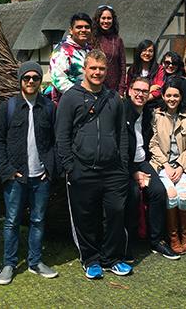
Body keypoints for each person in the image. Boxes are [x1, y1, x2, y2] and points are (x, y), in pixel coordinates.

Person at [56, 49, 132, 279]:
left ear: (107, 71)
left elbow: (122, 133)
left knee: (116, 213)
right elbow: (62, 134)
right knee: (85, 216)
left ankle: (112, 258)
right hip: (83, 168)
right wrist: (70, 165)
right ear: (85, 69)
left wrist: (123, 164)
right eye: (93, 68)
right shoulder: (71, 97)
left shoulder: (114, 99)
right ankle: (90, 259)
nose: (97, 72)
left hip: (112, 169)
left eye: (101, 69)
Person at [0, 61, 58, 284]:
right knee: (11, 221)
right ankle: (9, 264)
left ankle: (35, 262)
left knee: (38, 220)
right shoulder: (8, 107)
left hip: (41, 176)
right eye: (27, 77)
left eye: (35, 78)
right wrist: (7, 171)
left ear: (40, 81)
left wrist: (50, 169)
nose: (31, 81)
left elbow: (56, 141)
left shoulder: (48, 107)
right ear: (20, 80)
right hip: (16, 177)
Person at [124, 77, 180, 261]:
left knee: (158, 192)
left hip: (142, 161)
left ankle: (156, 240)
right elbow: (119, 147)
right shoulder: (122, 112)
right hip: (124, 164)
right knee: (132, 195)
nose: (140, 94)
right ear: (130, 90)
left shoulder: (148, 113)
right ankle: (127, 243)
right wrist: (133, 173)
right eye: (137, 90)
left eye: (145, 91)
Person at [149, 78, 186, 255]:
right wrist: (166, 165)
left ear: (181, 96)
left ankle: (185, 235)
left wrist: (179, 166)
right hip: (162, 166)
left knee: (184, 197)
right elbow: (153, 144)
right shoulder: (156, 115)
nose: (172, 99)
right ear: (163, 96)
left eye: (175, 95)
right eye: (168, 95)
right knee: (171, 195)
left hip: (183, 166)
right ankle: (173, 237)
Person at [49, 12, 92, 104]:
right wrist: (81, 96)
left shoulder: (89, 50)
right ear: (71, 30)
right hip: (69, 101)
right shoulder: (62, 50)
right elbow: (59, 80)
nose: (83, 30)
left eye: (87, 27)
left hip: (89, 99)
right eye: (79, 27)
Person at [92, 5, 127, 96]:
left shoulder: (118, 40)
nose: (106, 21)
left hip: (113, 90)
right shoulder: (91, 39)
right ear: (98, 19)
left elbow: (122, 67)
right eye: (103, 18)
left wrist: (121, 90)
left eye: (109, 18)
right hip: (94, 88)